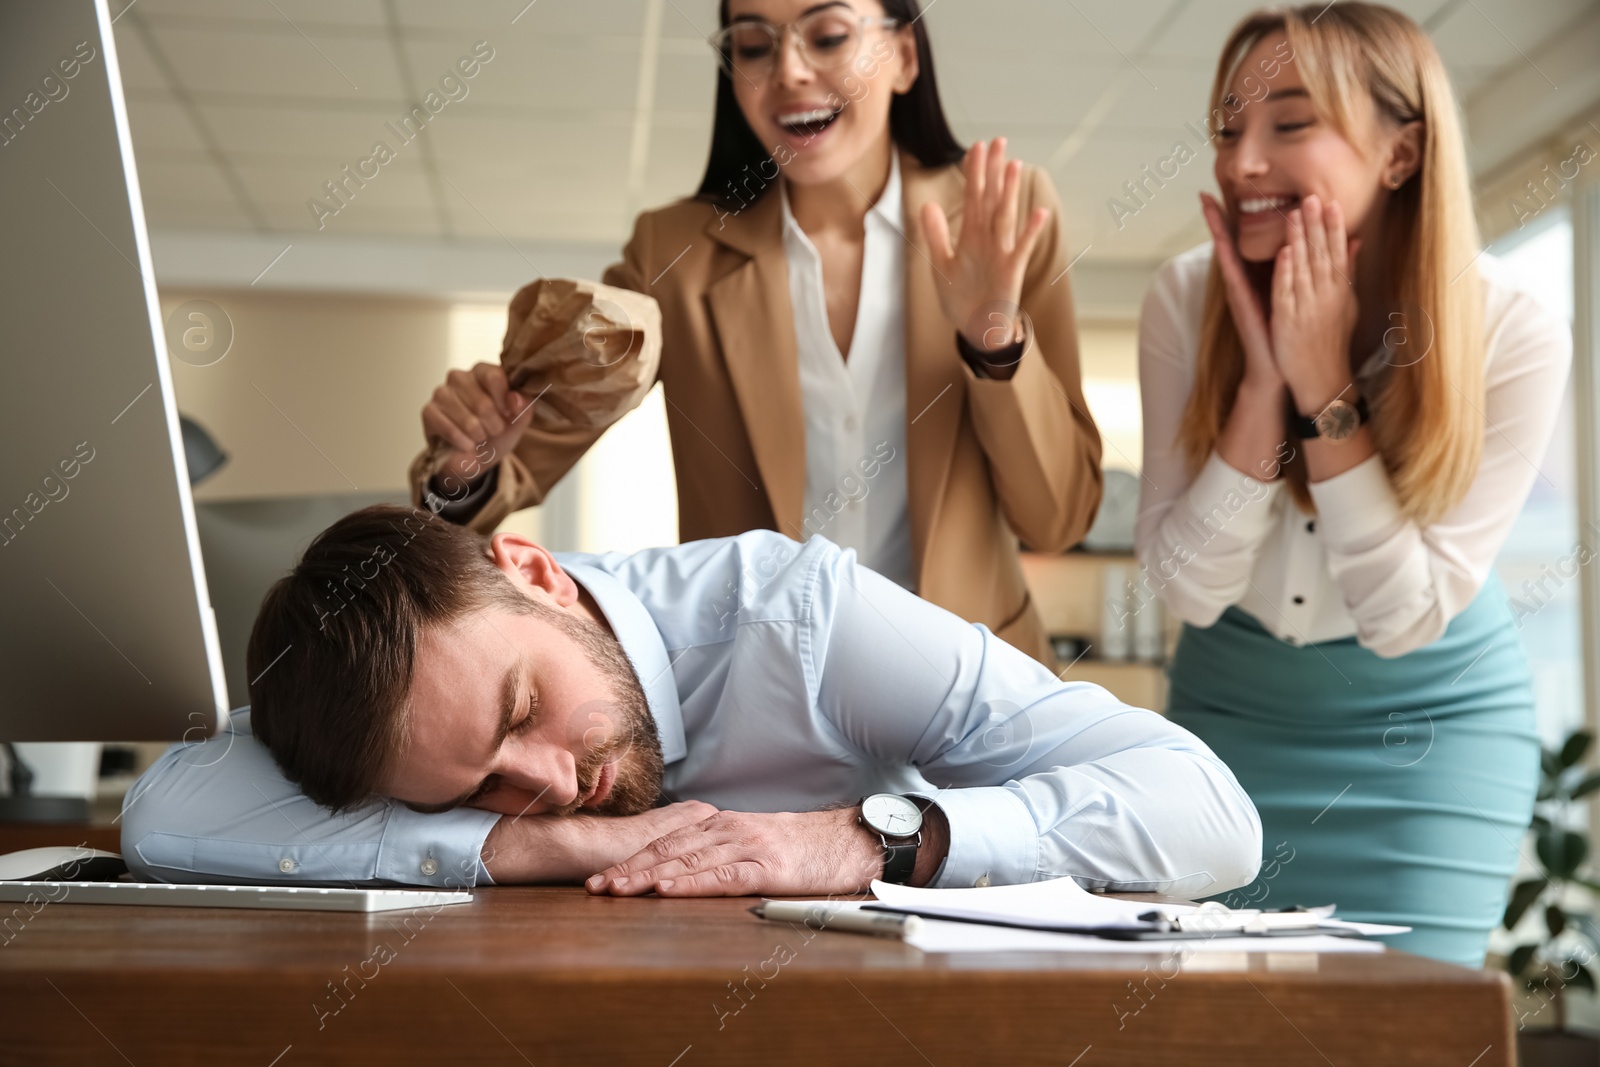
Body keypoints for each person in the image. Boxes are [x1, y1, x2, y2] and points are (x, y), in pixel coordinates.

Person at [412, 0, 1103, 666]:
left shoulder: (1003, 216)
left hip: (976, 688)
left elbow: (1058, 520)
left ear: (902, 54)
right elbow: (505, 467)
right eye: (753, 45)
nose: (790, 70)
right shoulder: (671, 254)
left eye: (827, 35)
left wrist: (995, 342)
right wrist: (466, 469)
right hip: (764, 699)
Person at [121, 505, 1261, 898]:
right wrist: (518, 846)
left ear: (536, 571)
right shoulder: (439, 726)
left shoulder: (799, 617)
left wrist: (863, 839)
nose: (552, 781)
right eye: (481, 786)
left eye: (525, 711)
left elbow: (1211, 810)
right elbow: (165, 815)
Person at [1134, 2, 1571, 966]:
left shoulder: (1510, 327)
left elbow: (1404, 615)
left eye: (1289, 124)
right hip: (1229, 718)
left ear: (1401, 154)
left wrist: (1325, 385)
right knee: (1214, 1029)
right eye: (1227, 128)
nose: (1243, 162)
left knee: (1398, 1032)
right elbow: (1188, 590)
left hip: (1430, 743)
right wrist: (1262, 383)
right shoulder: (1181, 294)